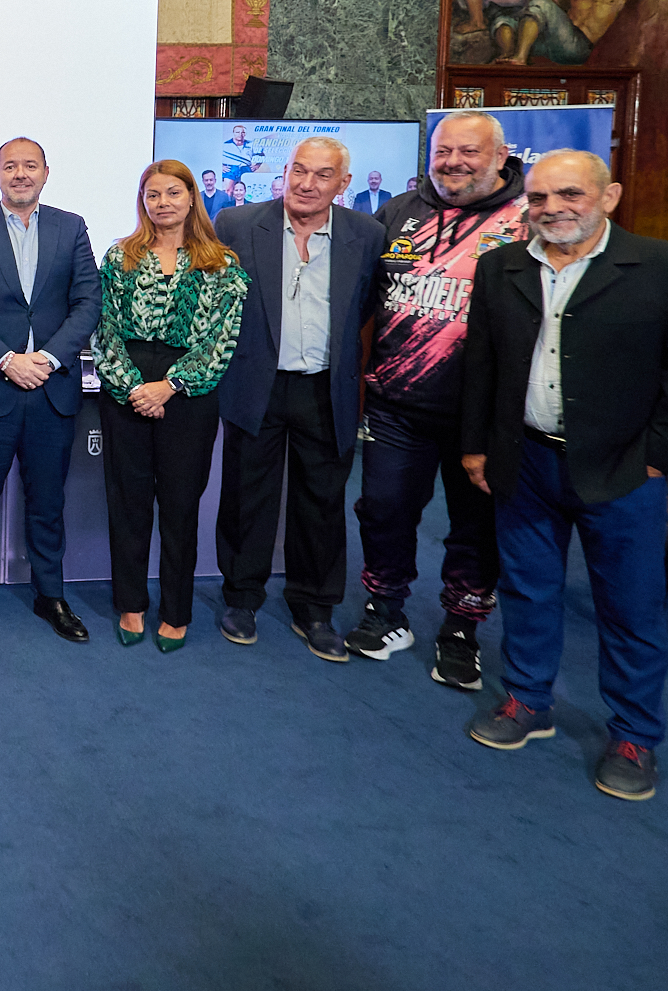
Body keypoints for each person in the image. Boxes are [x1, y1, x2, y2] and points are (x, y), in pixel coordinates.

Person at [461, 149, 668, 802]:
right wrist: (475, 447)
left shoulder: (661, 266)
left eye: (569, 195)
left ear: (607, 197)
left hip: (623, 469)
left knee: (632, 606)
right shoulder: (500, 267)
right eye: (540, 197)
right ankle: (527, 701)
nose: (552, 208)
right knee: (527, 588)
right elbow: (482, 364)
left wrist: (659, 452)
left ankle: (635, 735)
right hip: (524, 459)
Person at [346, 111, 526, 687]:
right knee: (383, 510)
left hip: (485, 416)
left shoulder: (528, 221)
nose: (453, 162)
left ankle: (460, 630)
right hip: (397, 404)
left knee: (475, 527)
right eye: (444, 151)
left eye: (469, 152)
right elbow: (363, 299)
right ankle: (386, 612)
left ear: (500, 156)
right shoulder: (400, 213)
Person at [212, 137, 384, 660]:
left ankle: (314, 608)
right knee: (247, 496)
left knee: (323, 501)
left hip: (325, 387)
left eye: (323, 175)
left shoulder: (368, 235)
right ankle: (241, 598)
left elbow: (368, 306)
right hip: (255, 384)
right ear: (284, 172)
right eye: (299, 171)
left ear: (344, 184)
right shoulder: (238, 225)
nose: (307, 184)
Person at [0, 137, 100, 644]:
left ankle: (50, 595)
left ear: (46, 173)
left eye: (30, 165)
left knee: (47, 502)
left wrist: (49, 359)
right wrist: (8, 360)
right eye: (10, 166)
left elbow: (87, 304)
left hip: (52, 388)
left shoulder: (71, 227)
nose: (20, 174)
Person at [94, 162, 248, 650]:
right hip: (128, 388)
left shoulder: (222, 263)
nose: (162, 202)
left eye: (172, 193)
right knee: (128, 501)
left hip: (189, 394)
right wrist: (134, 387)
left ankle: (176, 610)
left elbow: (223, 339)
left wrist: (171, 385)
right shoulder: (120, 257)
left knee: (180, 505)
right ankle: (131, 603)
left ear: (191, 197)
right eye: (152, 194)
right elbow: (104, 329)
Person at [490, 0, 657, 66]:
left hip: (578, 48)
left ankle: (520, 58)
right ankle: (508, 55)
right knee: (504, 19)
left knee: (541, 2)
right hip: (553, 41)